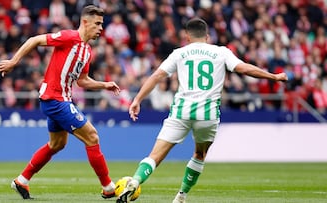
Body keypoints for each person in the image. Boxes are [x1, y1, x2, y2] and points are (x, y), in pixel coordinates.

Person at [116, 17, 288, 203]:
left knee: (155, 156)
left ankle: (135, 181)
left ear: (187, 37)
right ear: (207, 36)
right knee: (199, 154)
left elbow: (157, 75)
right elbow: (244, 69)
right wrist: (274, 77)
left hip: (181, 111)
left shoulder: (179, 53)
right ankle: (181, 196)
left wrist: (137, 99)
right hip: (208, 114)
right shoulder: (220, 52)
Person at [0, 5, 120, 200]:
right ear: (85, 22)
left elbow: (82, 80)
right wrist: (14, 61)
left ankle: (22, 180)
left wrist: (105, 85)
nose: (100, 28)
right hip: (54, 98)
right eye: (97, 24)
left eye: (101, 24)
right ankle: (108, 187)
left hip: (60, 99)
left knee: (57, 144)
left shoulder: (87, 51)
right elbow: (35, 39)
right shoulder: (69, 37)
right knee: (92, 137)